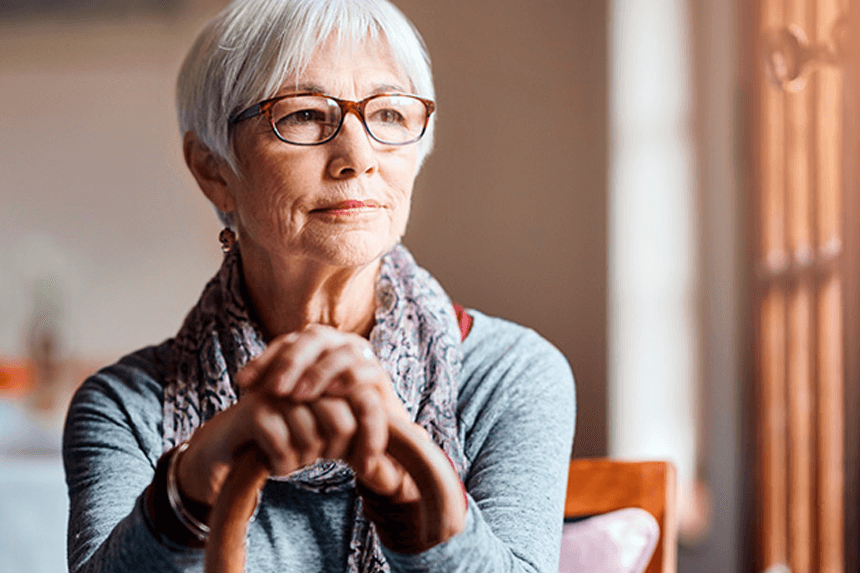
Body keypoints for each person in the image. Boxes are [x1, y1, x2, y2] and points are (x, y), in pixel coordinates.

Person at [62, 0, 575, 571]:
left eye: (389, 114)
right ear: (213, 169)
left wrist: (407, 485)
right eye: (304, 115)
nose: (358, 157)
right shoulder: (125, 406)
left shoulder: (511, 373)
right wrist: (191, 488)